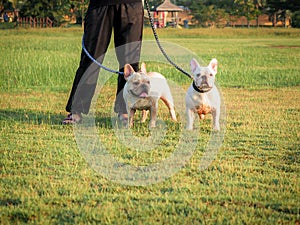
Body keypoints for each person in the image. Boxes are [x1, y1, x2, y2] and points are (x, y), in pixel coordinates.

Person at [63, 0, 144, 124]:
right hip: (100, 5)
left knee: (130, 62)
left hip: (132, 5)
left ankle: (124, 110)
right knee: (91, 59)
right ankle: (77, 110)